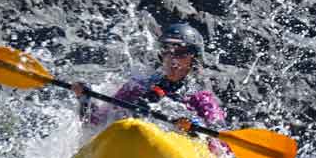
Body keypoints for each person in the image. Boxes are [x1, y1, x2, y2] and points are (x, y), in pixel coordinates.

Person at [71, 23, 227, 137]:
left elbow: (220, 141)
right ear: (161, 55)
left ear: (194, 59)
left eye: (181, 53)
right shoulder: (137, 87)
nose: (173, 60)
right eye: (168, 52)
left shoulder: (201, 99)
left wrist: (195, 130)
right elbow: (96, 124)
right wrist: (84, 99)